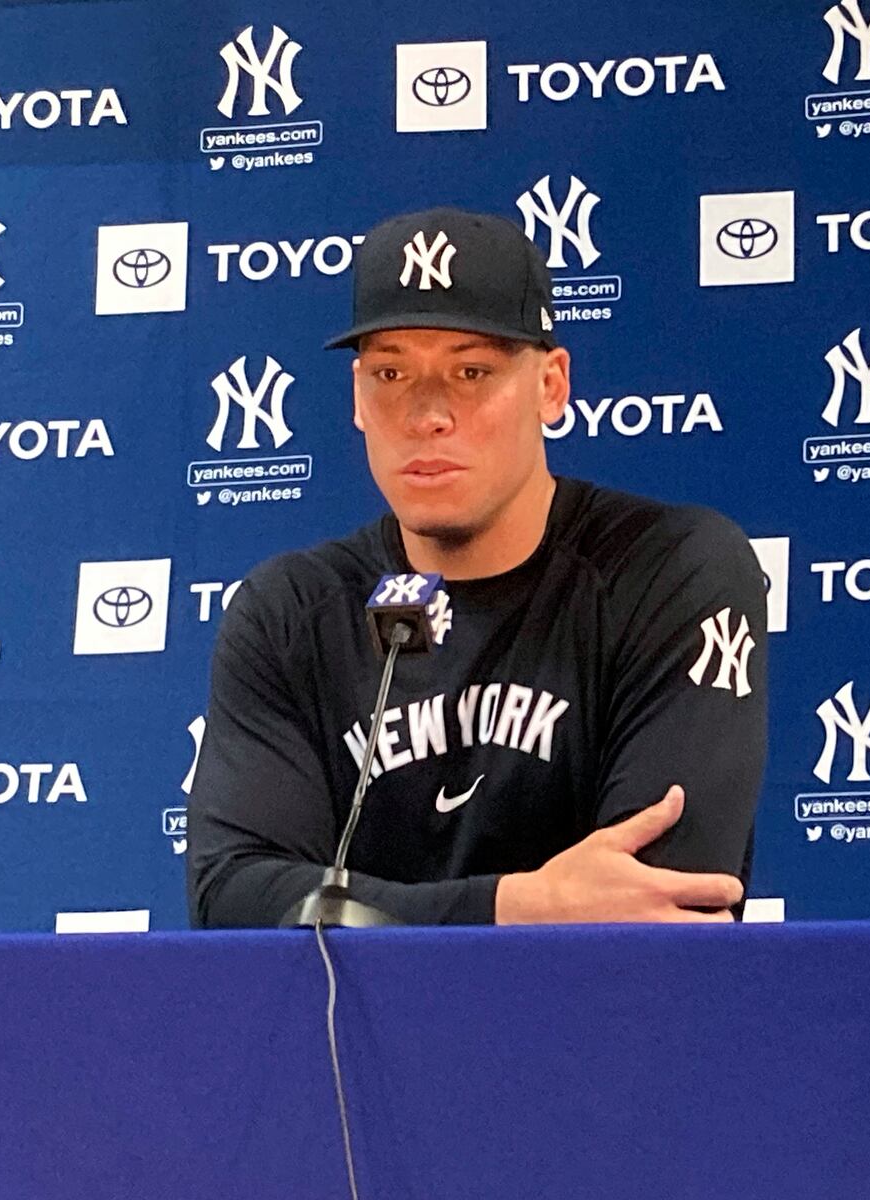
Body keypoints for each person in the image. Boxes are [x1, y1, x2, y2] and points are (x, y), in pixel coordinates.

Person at [185, 206, 767, 928]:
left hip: (601, 1038)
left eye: (471, 370)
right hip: (352, 1042)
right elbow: (234, 900)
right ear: (357, 398)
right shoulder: (290, 610)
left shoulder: (667, 570)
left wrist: (390, 921)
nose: (427, 413)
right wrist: (519, 905)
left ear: (551, 386)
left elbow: (660, 904)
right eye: (391, 372)